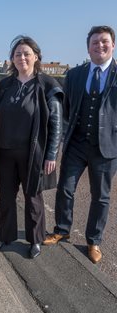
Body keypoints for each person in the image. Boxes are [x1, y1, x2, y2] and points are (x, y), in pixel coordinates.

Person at [43, 26, 117, 264]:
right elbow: (65, 109)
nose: (100, 46)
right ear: (88, 47)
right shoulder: (75, 74)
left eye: (104, 42)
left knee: (101, 196)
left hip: (107, 147)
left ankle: (93, 240)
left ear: (113, 45)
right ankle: (62, 229)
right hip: (76, 142)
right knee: (65, 188)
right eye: (95, 42)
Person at [0, 35, 63, 258]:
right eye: (17, 54)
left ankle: (35, 240)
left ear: (36, 57)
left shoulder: (47, 85)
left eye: (26, 53)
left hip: (33, 154)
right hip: (5, 152)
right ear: (12, 59)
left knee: (33, 198)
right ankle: (4, 237)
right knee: (6, 197)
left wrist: (51, 154)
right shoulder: (6, 85)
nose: (22, 57)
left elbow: (56, 123)